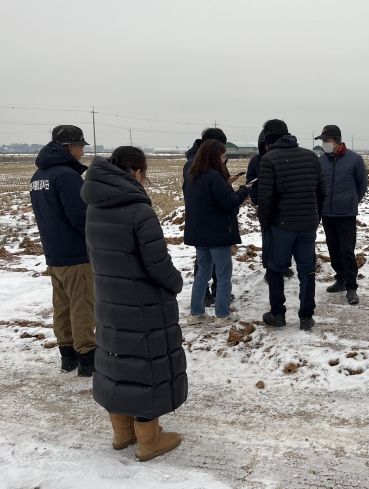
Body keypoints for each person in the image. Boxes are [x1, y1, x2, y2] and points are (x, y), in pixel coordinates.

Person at [81, 147, 186, 462]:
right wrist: (176, 283)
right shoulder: (139, 211)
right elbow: (157, 264)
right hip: (143, 304)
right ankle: (149, 440)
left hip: (109, 301)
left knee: (118, 365)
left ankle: (122, 433)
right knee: (146, 368)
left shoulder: (94, 207)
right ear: (137, 172)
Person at [30, 125, 96, 376]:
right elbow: (79, 216)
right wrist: (95, 238)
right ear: (67, 147)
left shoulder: (38, 176)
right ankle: (87, 357)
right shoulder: (67, 176)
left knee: (62, 305)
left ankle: (67, 355)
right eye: (80, 146)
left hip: (54, 252)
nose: (82, 151)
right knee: (82, 305)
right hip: (75, 254)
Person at [258, 119, 326, 331]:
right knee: (307, 270)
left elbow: (265, 198)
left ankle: (278, 314)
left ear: (269, 138)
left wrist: (265, 223)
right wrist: (315, 217)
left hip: (281, 226)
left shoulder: (269, 159)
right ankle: (306, 316)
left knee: (276, 269)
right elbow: (322, 192)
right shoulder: (311, 156)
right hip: (308, 224)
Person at [184, 140, 250, 326]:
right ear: (215, 156)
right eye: (223, 155)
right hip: (217, 234)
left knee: (202, 274)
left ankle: (196, 313)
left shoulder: (193, 176)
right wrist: (243, 192)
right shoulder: (214, 177)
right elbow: (228, 202)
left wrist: (226, 184)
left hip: (199, 234)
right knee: (223, 275)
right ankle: (222, 315)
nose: (224, 158)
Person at [315, 125, 367, 305]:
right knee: (333, 249)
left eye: (326, 140)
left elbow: (362, 185)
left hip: (346, 214)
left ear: (336, 141)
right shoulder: (321, 161)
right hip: (327, 213)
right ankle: (340, 279)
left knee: (346, 250)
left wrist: (351, 201)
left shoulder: (355, 159)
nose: (324, 144)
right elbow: (318, 185)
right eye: (323, 141)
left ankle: (351, 287)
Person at [182, 128, 228, 307]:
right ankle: (216, 307)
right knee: (209, 268)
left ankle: (202, 305)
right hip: (208, 222)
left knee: (207, 267)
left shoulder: (203, 160)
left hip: (202, 223)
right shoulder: (195, 164)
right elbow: (201, 192)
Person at [247, 130, 294, 279]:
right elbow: (250, 181)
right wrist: (257, 200)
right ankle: (269, 268)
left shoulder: (287, 158)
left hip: (285, 207)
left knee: (286, 238)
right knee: (268, 240)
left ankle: (285, 265)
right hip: (266, 206)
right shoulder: (256, 161)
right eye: (266, 145)